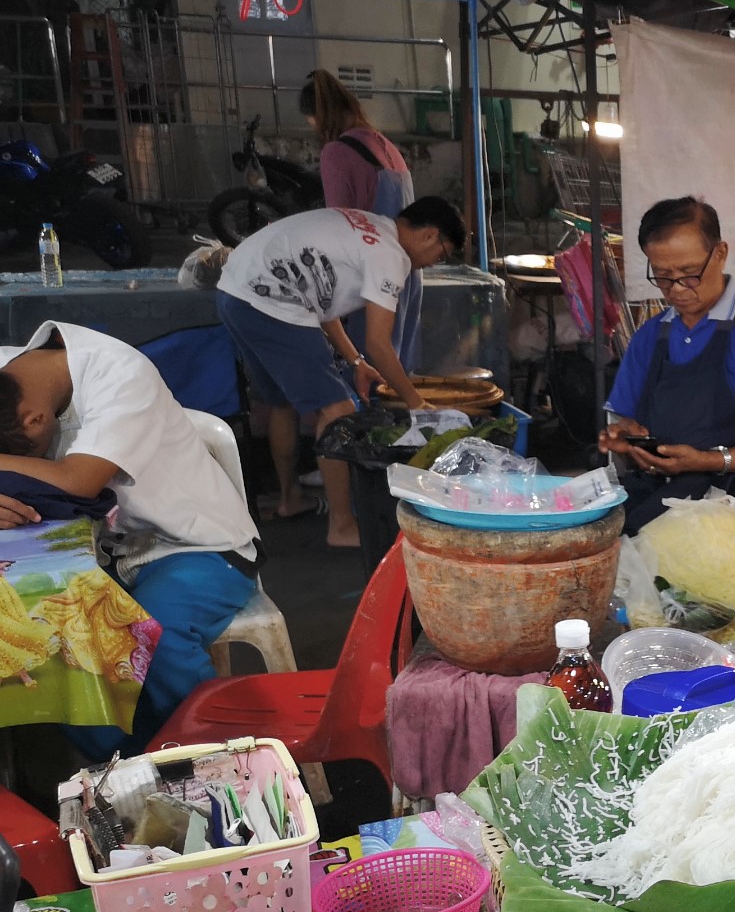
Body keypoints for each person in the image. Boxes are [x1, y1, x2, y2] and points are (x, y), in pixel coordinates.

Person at [0, 322, 260, 757]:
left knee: (152, 634)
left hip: (194, 546)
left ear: (36, 420)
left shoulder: (119, 374)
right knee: (43, 639)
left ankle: (222, 762)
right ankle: (129, 768)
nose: (28, 465)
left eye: (25, 455)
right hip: (109, 552)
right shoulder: (14, 372)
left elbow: (77, 480)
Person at [216, 198, 460, 547]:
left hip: (236, 292)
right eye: (442, 254)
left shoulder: (368, 224)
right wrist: (416, 402)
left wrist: (356, 362)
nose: (434, 263)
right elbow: (379, 342)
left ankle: (290, 500)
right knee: (339, 410)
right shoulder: (391, 256)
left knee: (281, 402)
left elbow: (320, 294)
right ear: (430, 236)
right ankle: (342, 527)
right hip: (273, 300)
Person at [597, 197, 735, 536]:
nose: (677, 289)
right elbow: (630, 422)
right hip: (659, 492)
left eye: (689, 274)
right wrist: (627, 438)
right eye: (663, 277)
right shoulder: (650, 337)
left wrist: (708, 460)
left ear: (720, 253)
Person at [300, 69, 423, 372]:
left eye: (311, 121)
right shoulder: (386, 144)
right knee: (398, 374)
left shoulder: (337, 151)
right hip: (408, 275)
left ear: (320, 116)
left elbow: (339, 225)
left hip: (373, 276)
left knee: (370, 376)